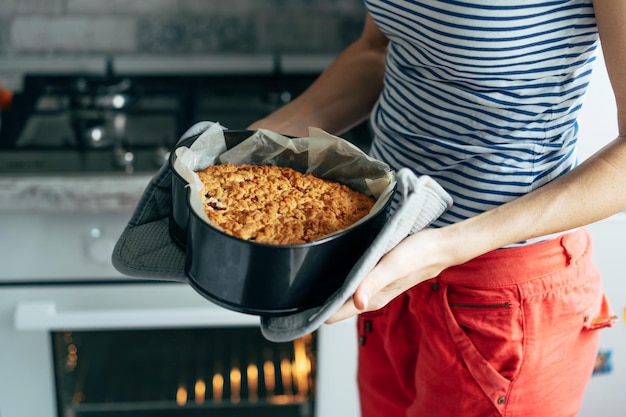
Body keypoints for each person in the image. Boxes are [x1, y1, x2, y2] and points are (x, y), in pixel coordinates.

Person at [248, 1, 624, 416]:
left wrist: (445, 247)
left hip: (499, 298)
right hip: (389, 256)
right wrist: (251, 148)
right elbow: (376, 49)